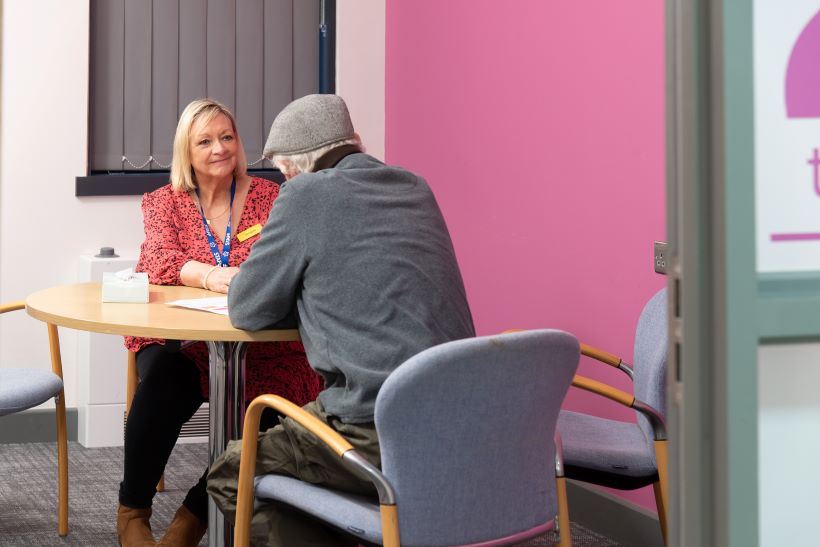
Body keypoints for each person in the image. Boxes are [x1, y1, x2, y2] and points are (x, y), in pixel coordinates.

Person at [207, 94, 475, 546]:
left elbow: (248, 307)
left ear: (292, 169)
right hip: (462, 419)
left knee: (233, 470)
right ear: (355, 142)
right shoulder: (414, 186)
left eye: (283, 172)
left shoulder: (306, 194)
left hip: (376, 428)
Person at [117, 99, 322, 547]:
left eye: (227, 137)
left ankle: (195, 515)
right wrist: (211, 274)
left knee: (275, 404)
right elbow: (157, 258)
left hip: (261, 338)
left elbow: (289, 265)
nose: (219, 148)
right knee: (165, 382)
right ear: (185, 152)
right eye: (205, 141)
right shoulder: (163, 202)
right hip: (179, 334)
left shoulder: (273, 197)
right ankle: (132, 510)